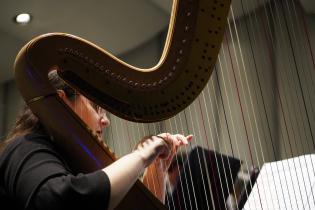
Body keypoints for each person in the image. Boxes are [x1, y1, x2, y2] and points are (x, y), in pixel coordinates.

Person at [0, 70, 193, 210]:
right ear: (62, 102)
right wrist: (142, 155)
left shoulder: (77, 165)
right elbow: (56, 201)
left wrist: (157, 165)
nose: (106, 121)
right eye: (95, 106)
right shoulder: (25, 147)